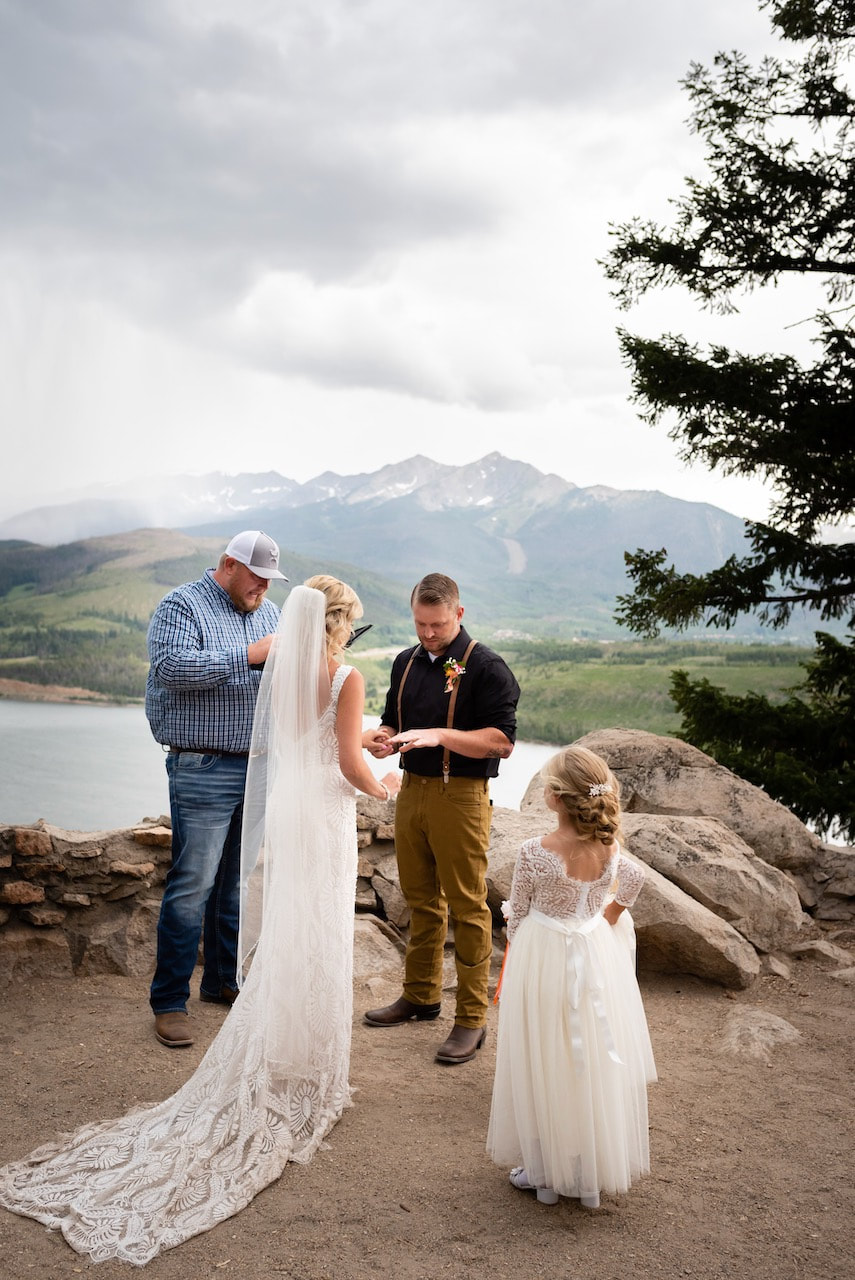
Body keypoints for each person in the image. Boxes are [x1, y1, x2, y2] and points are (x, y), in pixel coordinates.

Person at [0, 577, 398, 1265]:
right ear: (344, 622)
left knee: (293, 926)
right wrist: (382, 781)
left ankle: (286, 1049)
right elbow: (344, 762)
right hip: (326, 811)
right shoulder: (348, 672)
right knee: (316, 929)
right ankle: (310, 1063)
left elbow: (310, 737)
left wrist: (359, 737)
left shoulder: (286, 670)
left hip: (292, 807)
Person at [486, 745, 657, 1208]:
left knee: (545, 1055)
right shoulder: (609, 844)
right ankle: (586, 1169)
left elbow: (517, 918)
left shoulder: (533, 852)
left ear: (556, 799)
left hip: (543, 958)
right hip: (592, 951)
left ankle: (543, 1170)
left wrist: (516, 971)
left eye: (546, 785)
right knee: (587, 1063)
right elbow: (635, 881)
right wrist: (606, 918)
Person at [363, 572, 520, 1065]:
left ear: (459, 614)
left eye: (436, 624)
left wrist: (440, 736)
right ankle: (421, 995)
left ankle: (472, 1021)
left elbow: (502, 742)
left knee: (469, 907)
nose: (427, 633)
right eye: (419, 623)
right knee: (420, 900)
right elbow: (394, 717)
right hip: (412, 792)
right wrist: (383, 735)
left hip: (463, 797)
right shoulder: (405, 662)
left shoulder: (488, 667)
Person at [145, 529, 284, 1048]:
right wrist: (250, 654)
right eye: (257, 577)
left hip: (257, 766)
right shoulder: (181, 605)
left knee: (234, 885)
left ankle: (222, 982)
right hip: (201, 767)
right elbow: (174, 670)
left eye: (272, 580)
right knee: (192, 886)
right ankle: (169, 1003)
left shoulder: (270, 614)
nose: (264, 589)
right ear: (229, 563)